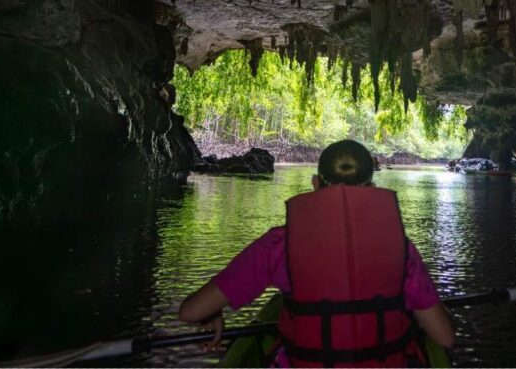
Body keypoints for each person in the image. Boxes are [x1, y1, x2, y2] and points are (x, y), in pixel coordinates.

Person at [179, 139, 454, 367]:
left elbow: (190, 312)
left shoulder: (280, 244)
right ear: (371, 191)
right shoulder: (400, 248)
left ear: (314, 184)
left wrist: (212, 313)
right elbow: (444, 338)